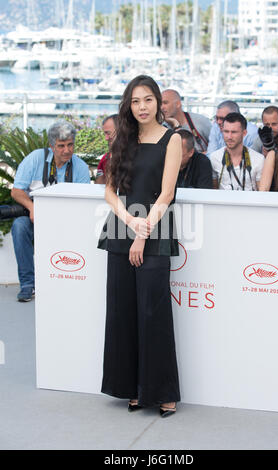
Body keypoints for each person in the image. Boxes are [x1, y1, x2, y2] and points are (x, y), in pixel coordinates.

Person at [98, 75, 182, 417]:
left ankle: (163, 393)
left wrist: (143, 232)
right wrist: (129, 222)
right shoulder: (125, 139)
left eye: (148, 100)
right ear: (128, 106)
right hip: (122, 230)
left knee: (153, 313)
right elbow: (109, 191)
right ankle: (132, 388)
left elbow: (166, 194)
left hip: (154, 232)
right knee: (123, 314)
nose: (142, 107)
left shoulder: (171, 140)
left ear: (158, 102)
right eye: (135, 101)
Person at [11, 120, 91, 302]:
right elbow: (16, 191)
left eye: (70, 145)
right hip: (35, 219)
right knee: (19, 227)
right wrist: (32, 208)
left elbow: (84, 201)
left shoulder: (80, 167)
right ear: (51, 146)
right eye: (61, 146)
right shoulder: (35, 159)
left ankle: (69, 281)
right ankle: (27, 285)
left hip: (67, 221)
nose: (67, 150)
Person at [210, 113, 264, 191]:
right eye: (226, 131)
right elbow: (213, 190)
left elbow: (261, 193)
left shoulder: (259, 159)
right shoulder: (214, 157)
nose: (229, 137)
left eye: (234, 132)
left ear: (244, 133)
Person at [95, 114, 118, 185]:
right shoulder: (105, 159)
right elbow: (98, 186)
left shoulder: (138, 157)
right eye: (105, 134)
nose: (106, 138)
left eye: (108, 133)